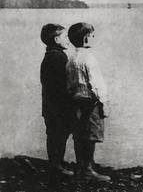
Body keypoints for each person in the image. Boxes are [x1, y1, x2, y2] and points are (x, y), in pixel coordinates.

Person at [66, 22, 110, 182]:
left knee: (79, 134)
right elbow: (96, 83)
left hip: (76, 101)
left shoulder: (72, 58)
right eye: (92, 35)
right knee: (91, 135)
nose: (94, 37)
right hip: (90, 102)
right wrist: (103, 102)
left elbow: (70, 84)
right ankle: (88, 170)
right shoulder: (88, 58)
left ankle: (82, 167)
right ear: (85, 38)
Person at [39, 23, 74, 177]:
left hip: (51, 105)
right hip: (57, 106)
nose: (68, 40)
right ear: (57, 39)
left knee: (55, 134)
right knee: (58, 134)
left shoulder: (51, 55)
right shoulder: (58, 57)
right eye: (65, 37)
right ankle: (56, 166)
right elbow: (62, 84)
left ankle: (56, 163)